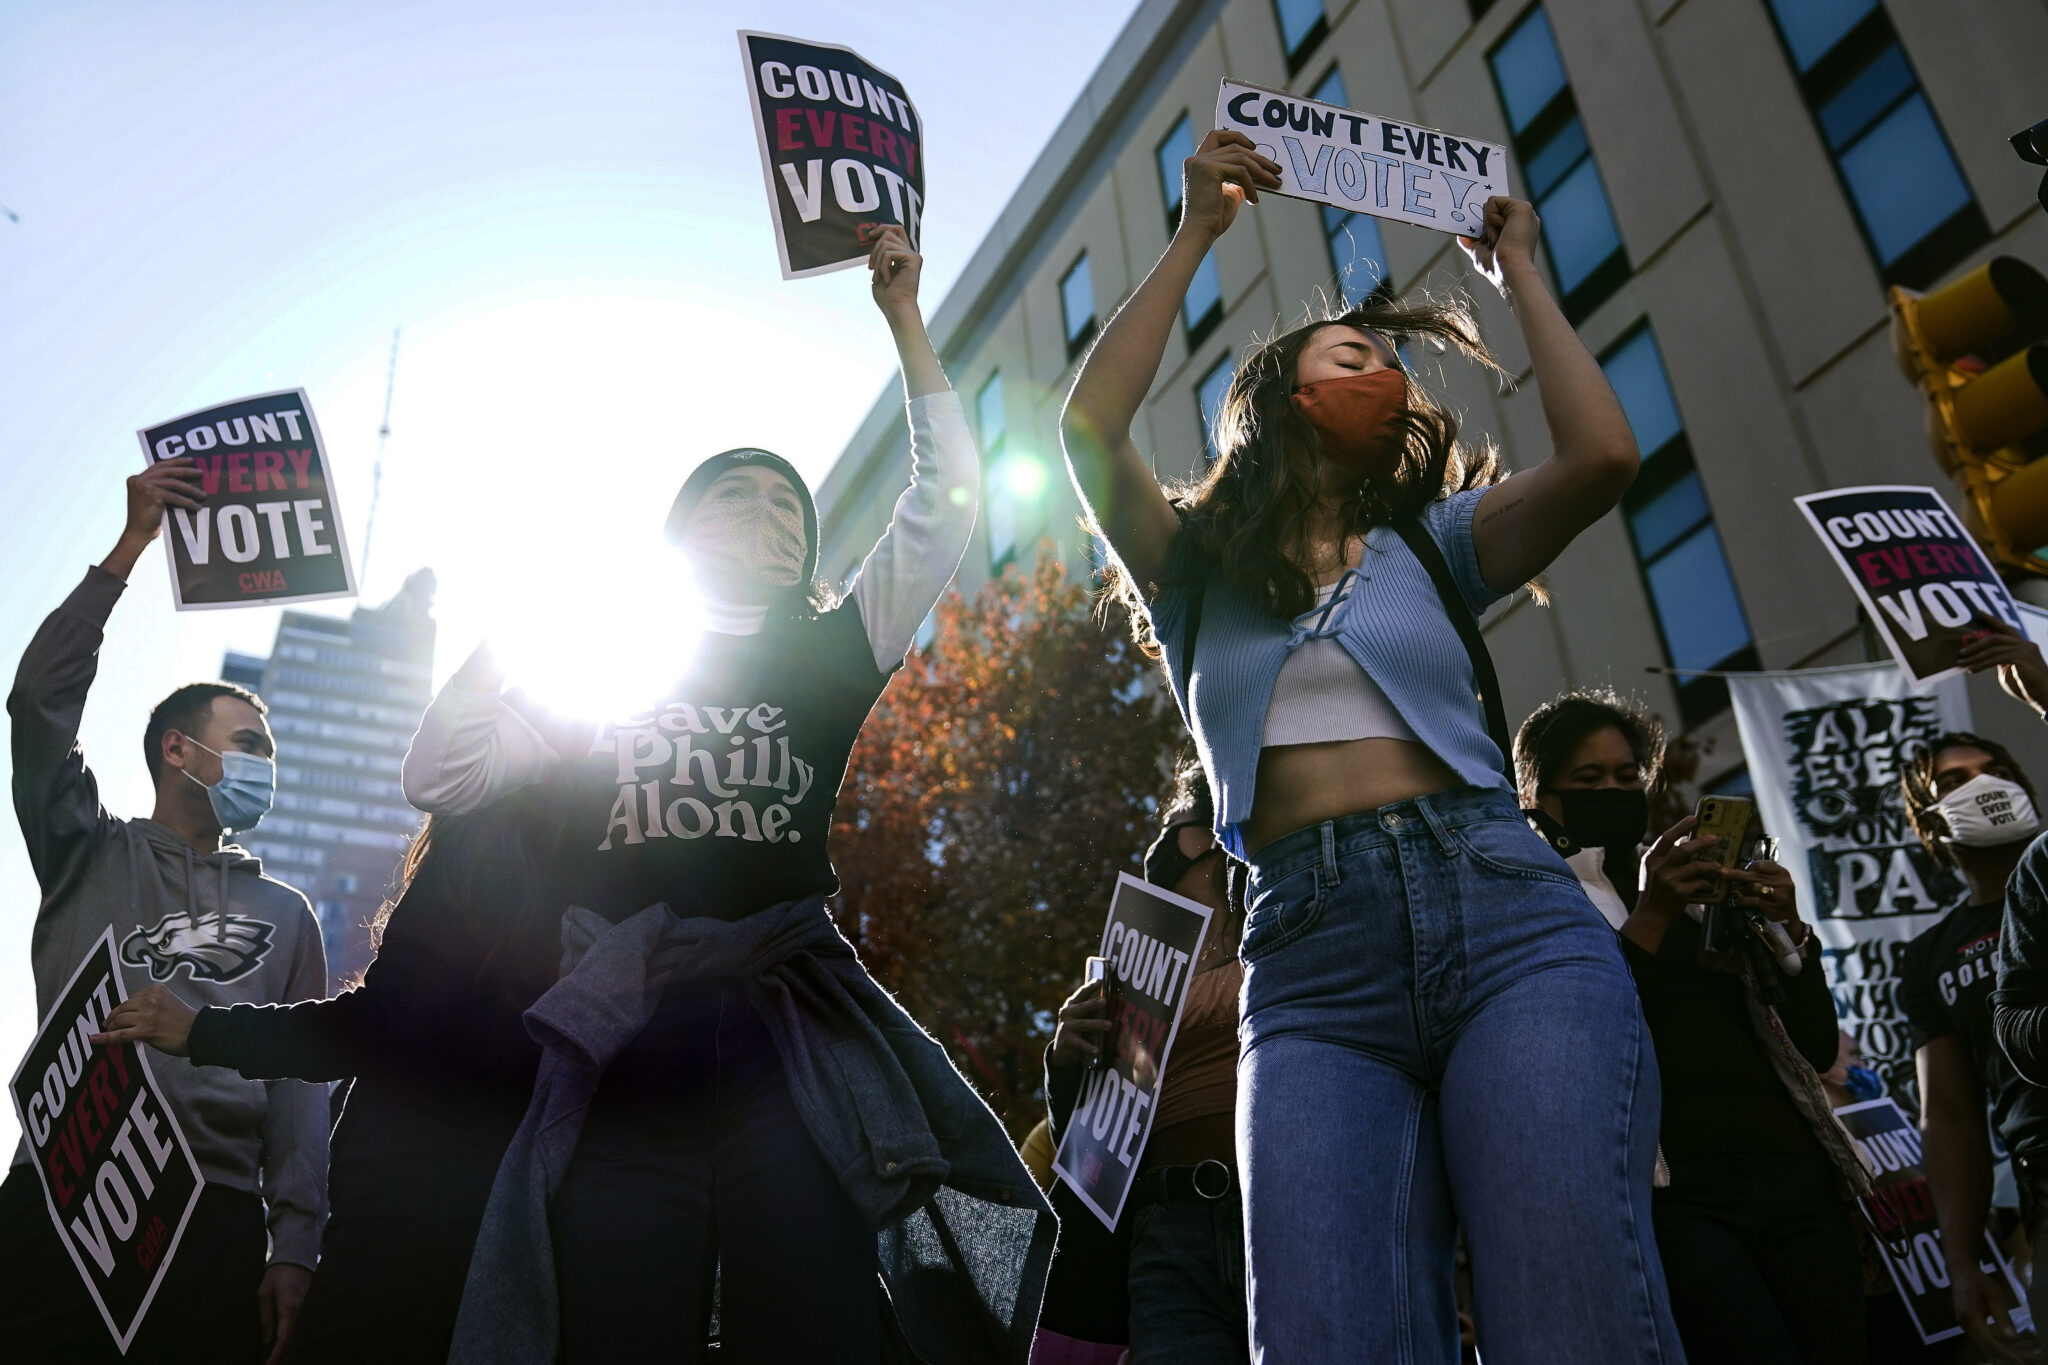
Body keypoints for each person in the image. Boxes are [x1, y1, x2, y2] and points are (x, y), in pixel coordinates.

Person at [1062, 125, 1679, 1360]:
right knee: (1323, 1332)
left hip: (1507, 918)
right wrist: (1196, 232)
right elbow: (1085, 428)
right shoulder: (1190, 575)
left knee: (1568, 1309)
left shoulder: (1435, 545)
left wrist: (1524, 282)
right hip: (1309, 969)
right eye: (1353, 354)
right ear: (1282, 399)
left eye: (1389, 362)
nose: (1384, 373)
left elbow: (1604, 457)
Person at [399, 226, 1052, 1365]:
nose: (771, 513)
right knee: (616, 1313)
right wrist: (529, 620)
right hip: (628, 1042)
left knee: (807, 1317)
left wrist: (904, 319)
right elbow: (438, 773)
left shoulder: (832, 647)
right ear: (676, 536)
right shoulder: (596, 673)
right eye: (737, 498)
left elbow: (943, 499)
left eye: (789, 508)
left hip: (782, 1039)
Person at [0, 458, 329, 1365]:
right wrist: (130, 546)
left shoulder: (289, 913)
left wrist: (295, 1242)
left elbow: (301, 1088)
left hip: (215, 1220)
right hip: (67, 1192)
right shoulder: (87, 852)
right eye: (250, 742)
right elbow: (35, 705)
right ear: (178, 750)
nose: (267, 762)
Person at [93, 788, 565, 1364]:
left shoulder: (486, 841)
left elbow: (380, 1025)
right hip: (514, 1209)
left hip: (407, 1223)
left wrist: (202, 1032)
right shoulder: (577, 854)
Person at [1517, 688, 1870, 1363]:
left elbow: (1815, 1044)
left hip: (1793, 1175)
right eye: (1588, 780)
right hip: (1678, 1200)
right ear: (1537, 794)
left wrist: (1788, 932)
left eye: (1627, 776)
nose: (1614, 792)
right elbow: (1582, 1043)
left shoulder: (1700, 880)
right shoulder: (1533, 899)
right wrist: (1649, 917)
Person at [1038, 762, 1245, 1364]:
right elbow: (1093, 1153)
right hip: (1168, 1236)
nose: (1163, 855)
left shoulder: (1282, 925)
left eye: (1184, 827)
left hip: (1281, 1205)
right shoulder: (1135, 972)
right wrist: (1069, 1062)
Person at [1899, 720, 2048, 1364]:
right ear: (1930, 824)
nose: (1984, 787)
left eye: (1996, 773)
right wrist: (1963, 1264)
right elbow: (1952, 1117)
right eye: (1956, 782)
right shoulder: (1930, 956)